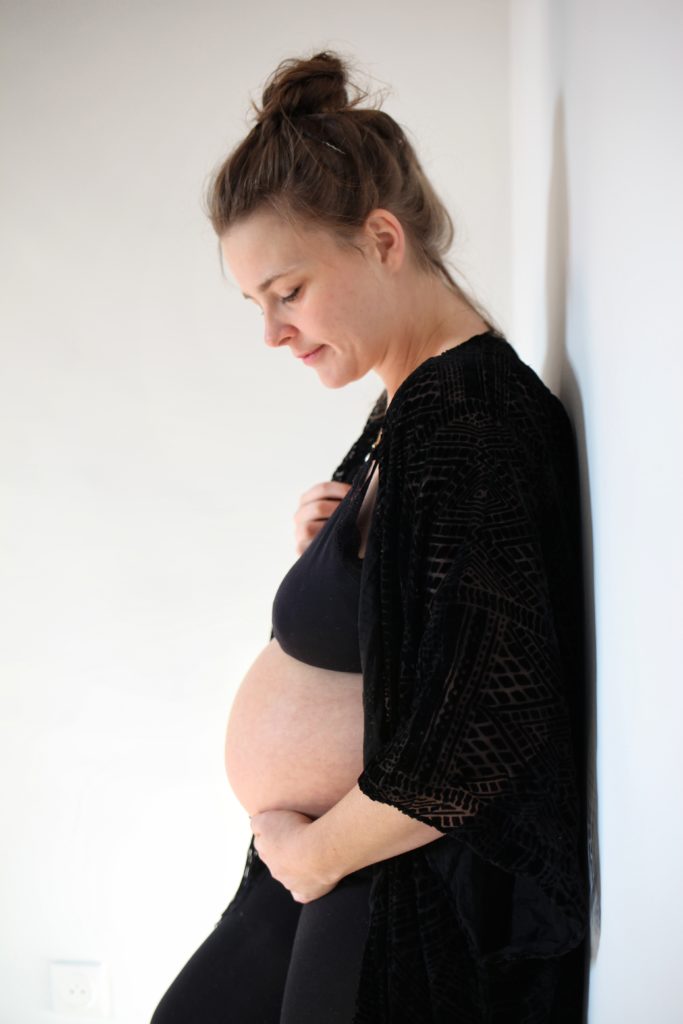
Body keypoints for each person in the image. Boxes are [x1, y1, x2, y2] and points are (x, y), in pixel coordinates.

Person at [150, 50, 589, 1024]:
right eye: (255, 304)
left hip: (386, 883)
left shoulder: (472, 421)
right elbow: (409, 620)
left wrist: (311, 852)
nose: (273, 332)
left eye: (287, 291)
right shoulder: (407, 407)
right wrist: (332, 543)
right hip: (328, 864)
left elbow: (488, 730)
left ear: (380, 239)